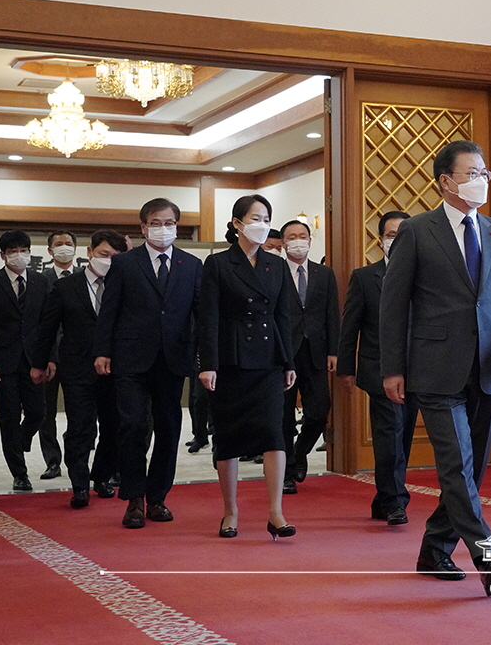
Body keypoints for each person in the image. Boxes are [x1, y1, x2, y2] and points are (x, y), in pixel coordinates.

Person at [379, 140, 491, 596]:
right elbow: (393, 305)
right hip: (434, 368)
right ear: (445, 181)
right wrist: (392, 366)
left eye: (485, 173)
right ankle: (486, 551)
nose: (481, 181)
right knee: (456, 464)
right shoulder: (416, 230)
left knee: (473, 469)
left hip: (489, 366)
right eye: (472, 174)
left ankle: (434, 548)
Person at [94, 198, 202, 529]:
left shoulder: (191, 264)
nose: (163, 229)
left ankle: (157, 498)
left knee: (169, 429)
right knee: (132, 427)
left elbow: (199, 314)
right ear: (143, 227)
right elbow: (109, 311)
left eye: (169, 223)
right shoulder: (125, 263)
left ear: (177, 226)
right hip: (130, 359)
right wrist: (102, 351)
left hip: (173, 359)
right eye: (156, 223)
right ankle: (134, 499)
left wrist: (203, 355)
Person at [197, 195, 298, 540]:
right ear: (237, 223)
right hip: (231, 360)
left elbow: (284, 317)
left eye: (267, 217)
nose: (262, 224)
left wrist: (288, 362)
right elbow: (207, 317)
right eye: (255, 218)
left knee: (274, 433)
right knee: (228, 437)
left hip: (268, 361)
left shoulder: (277, 265)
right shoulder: (218, 264)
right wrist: (208, 363)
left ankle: (276, 511)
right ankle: (230, 511)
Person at [33, 230, 129, 508]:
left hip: (115, 369)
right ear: (89, 252)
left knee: (113, 428)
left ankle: (101, 477)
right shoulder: (66, 287)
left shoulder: (123, 286)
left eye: (115, 256)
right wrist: (39, 364)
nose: (109, 261)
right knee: (80, 428)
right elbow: (47, 329)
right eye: (104, 254)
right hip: (77, 369)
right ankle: (79, 485)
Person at [338, 210, 418, 525]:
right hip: (379, 369)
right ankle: (396, 502)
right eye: (390, 234)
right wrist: (347, 368)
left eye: (402, 234)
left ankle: (383, 498)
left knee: (404, 438)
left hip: (418, 370)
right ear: (380, 239)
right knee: (389, 437)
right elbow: (350, 327)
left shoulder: (424, 276)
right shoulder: (364, 277)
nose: (395, 240)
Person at [0, 230, 49, 492]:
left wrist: (48, 359)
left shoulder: (42, 282)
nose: (19, 255)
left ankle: (19, 440)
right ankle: (20, 474)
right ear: (2, 255)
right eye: (13, 251)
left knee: (38, 412)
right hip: (2, 363)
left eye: (24, 249)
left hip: (34, 360)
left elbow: (48, 325)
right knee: (8, 417)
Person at [279, 218, 339, 494]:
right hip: (284, 354)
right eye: (292, 236)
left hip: (316, 352)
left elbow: (331, 314)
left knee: (318, 412)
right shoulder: (274, 271)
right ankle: (286, 473)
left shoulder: (324, 273)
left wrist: (333, 351)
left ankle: (299, 452)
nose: (298, 241)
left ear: (310, 240)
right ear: (283, 243)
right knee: (283, 416)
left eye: (302, 235)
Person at [36, 229, 79, 481]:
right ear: (50, 251)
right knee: (46, 412)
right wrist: (46, 357)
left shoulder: (85, 278)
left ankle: (78, 457)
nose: (65, 247)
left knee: (79, 412)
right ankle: (52, 461)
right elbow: (41, 324)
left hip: (77, 358)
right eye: (59, 244)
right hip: (49, 357)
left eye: (69, 243)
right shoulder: (41, 280)